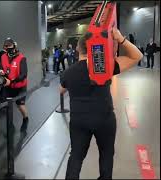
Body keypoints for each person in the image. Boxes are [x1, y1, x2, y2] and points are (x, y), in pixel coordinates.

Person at [60, 27, 142, 179]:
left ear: (78, 48)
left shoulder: (68, 73)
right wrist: (120, 39)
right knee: (106, 155)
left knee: (76, 156)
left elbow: (61, 89)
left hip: (79, 120)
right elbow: (137, 56)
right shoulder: (105, 67)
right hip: (104, 119)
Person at [0, 38, 29, 132]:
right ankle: (10, 124)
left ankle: (25, 119)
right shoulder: (3, 57)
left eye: (9, 45)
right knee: (7, 105)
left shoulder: (21, 58)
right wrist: (1, 71)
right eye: (6, 46)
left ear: (14, 46)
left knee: (20, 106)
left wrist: (12, 81)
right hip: (8, 87)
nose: (8, 47)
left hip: (20, 86)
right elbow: (1, 67)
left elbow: (24, 75)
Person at [0, 39, 9, 104]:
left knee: (3, 90)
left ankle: (2, 105)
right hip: (3, 76)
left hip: (0, 75)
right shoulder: (3, 54)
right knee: (4, 91)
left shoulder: (0, 53)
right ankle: (2, 106)